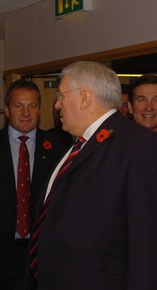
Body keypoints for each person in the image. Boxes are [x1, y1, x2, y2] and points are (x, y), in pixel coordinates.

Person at [29, 61, 157, 289]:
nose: (57, 105)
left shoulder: (138, 145)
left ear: (85, 97)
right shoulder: (76, 146)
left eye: (61, 96)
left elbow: (145, 241)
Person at [0, 80, 67, 290]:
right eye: (18, 105)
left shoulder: (58, 147)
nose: (25, 113)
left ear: (39, 110)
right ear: (6, 109)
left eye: (32, 106)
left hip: (41, 254)